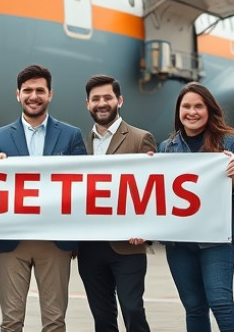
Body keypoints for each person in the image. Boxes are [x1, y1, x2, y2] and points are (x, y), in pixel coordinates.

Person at [0, 64, 87, 332]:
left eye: (40, 90)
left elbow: (83, 187)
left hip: (55, 242)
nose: (33, 96)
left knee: (55, 321)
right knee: (11, 322)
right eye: (27, 90)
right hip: (12, 240)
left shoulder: (71, 135)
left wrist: (77, 236)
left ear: (50, 94)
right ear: (17, 94)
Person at [157, 81, 234, 332]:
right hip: (180, 241)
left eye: (198, 106)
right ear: (178, 111)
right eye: (186, 107)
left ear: (209, 110)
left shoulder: (230, 143)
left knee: (221, 302)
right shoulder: (166, 148)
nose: (192, 112)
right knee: (193, 307)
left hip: (217, 239)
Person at [78, 75, 156, 332]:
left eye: (107, 98)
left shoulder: (140, 138)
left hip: (127, 245)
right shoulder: (80, 145)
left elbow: (152, 190)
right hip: (90, 246)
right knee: (102, 318)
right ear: (88, 104)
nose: (102, 103)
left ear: (119, 100)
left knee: (132, 310)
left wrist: (146, 229)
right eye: (96, 99)